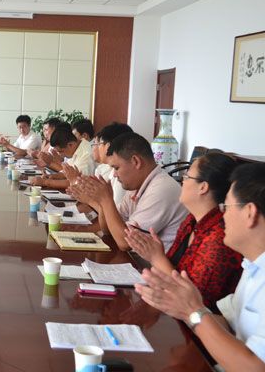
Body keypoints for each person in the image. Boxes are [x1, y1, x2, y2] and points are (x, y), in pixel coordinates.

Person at [135, 163, 265, 371]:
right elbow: (228, 325)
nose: (222, 216)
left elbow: (255, 368)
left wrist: (192, 312)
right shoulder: (252, 266)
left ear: (250, 213)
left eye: (226, 207)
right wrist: (178, 306)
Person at [124, 153, 242, 309]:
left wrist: (156, 257)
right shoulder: (191, 221)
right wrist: (154, 254)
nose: (182, 181)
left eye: (186, 177)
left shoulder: (219, 237)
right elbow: (173, 271)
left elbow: (196, 301)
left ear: (203, 187)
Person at [71, 132, 187, 252]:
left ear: (136, 161)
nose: (114, 175)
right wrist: (102, 201)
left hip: (153, 263)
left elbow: (125, 243)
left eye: (116, 168)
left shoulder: (161, 189)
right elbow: (107, 230)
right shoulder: (137, 185)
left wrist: (106, 200)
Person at [30, 126, 95, 189]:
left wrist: (45, 182)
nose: (61, 155)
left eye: (61, 151)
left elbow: (77, 182)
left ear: (70, 144)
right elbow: (68, 172)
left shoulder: (86, 154)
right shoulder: (76, 146)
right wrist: (52, 176)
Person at [92, 122, 133, 206]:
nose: (96, 148)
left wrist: (90, 200)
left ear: (108, 146)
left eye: (99, 144)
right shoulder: (114, 170)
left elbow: (116, 211)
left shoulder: (122, 174)